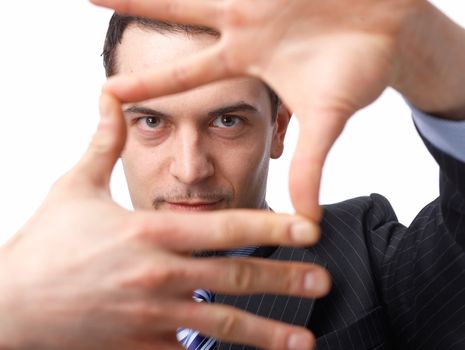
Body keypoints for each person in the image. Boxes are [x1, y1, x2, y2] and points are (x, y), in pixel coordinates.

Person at [89, 0, 465, 349]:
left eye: (227, 121)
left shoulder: (369, 259)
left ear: (278, 129)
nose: (190, 171)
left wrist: (427, 42)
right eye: (152, 121)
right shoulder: (50, 304)